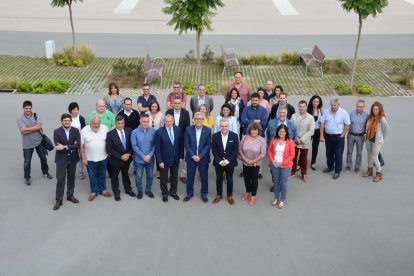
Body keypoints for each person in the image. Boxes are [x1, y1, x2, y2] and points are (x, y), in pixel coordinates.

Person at [17, 100, 52, 185]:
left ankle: (45, 172)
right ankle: (27, 177)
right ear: (23, 109)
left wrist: (27, 128)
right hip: (27, 144)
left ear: (31, 108)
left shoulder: (36, 115)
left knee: (43, 158)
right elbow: (23, 132)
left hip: (39, 141)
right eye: (26, 108)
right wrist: (35, 128)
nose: (28, 110)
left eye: (29, 108)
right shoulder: (20, 118)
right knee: (27, 162)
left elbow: (39, 126)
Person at [52, 113, 81, 210]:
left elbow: (78, 145)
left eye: (69, 120)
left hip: (73, 158)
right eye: (65, 120)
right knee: (60, 180)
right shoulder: (56, 131)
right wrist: (71, 145)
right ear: (61, 121)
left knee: (71, 178)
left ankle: (70, 196)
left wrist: (64, 146)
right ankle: (58, 200)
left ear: (71, 121)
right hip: (61, 159)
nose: (67, 122)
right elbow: (57, 146)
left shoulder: (76, 131)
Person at [80, 115, 111, 201]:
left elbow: (109, 141)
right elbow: (81, 146)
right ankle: (94, 191)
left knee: (102, 175)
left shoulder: (105, 128)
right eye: (94, 123)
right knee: (92, 176)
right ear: (90, 122)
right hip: (90, 159)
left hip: (103, 157)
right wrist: (83, 158)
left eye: (98, 123)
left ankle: (103, 190)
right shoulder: (84, 130)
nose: (96, 125)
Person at [155, 114, 184, 202]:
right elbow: (157, 148)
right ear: (164, 121)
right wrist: (160, 161)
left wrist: (181, 157)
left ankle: (173, 192)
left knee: (174, 177)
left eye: (170, 121)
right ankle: (164, 193)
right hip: (164, 160)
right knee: (164, 178)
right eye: (166, 121)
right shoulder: (159, 132)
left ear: (173, 121)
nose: (168, 123)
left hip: (176, 158)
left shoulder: (178, 129)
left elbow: (180, 144)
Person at [183, 112, 211, 203]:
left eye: (201, 119)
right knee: (190, 176)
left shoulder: (208, 130)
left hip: (203, 158)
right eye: (197, 118)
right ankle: (189, 193)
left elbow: (208, 145)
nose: (199, 120)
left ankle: (204, 193)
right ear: (194, 119)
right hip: (191, 158)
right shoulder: (188, 129)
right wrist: (193, 156)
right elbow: (186, 144)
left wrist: (200, 156)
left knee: (204, 177)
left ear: (203, 120)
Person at [320, 98, 351, 179]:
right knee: (329, 153)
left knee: (338, 154)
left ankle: (337, 171)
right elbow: (322, 123)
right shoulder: (326, 111)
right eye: (332, 105)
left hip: (338, 136)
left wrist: (343, 134)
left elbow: (347, 124)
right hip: (328, 136)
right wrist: (321, 135)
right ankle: (330, 167)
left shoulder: (344, 113)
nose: (333, 107)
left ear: (338, 105)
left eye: (335, 105)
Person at [106, 116, 136, 201]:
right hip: (116, 160)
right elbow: (109, 149)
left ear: (124, 123)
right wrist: (120, 156)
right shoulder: (110, 134)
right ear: (115, 124)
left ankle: (128, 189)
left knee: (126, 174)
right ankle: (116, 191)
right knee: (114, 177)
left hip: (127, 159)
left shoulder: (129, 131)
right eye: (118, 123)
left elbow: (132, 145)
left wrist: (129, 154)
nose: (120, 125)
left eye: (122, 123)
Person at [211, 118, 239, 205]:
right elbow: (214, 150)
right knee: (218, 179)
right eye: (222, 126)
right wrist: (219, 161)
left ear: (228, 126)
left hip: (230, 162)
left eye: (226, 126)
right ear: (220, 126)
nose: (224, 128)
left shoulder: (234, 136)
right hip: (218, 163)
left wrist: (227, 161)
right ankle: (219, 195)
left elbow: (235, 150)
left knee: (230, 179)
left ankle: (229, 196)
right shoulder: (215, 136)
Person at [268, 124, 295, 209]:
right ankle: (276, 198)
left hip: (285, 166)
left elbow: (292, 155)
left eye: (283, 131)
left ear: (286, 132)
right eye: (280, 131)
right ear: (277, 131)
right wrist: (272, 160)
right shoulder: (274, 139)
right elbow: (269, 151)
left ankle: (282, 199)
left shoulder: (290, 141)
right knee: (276, 182)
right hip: (275, 164)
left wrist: (282, 163)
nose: (281, 133)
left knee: (283, 183)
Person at [239, 122, 267, 205]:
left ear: (258, 131)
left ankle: (253, 195)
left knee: (254, 179)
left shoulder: (261, 140)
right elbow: (240, 149)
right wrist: (244, 158)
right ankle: (248, 192)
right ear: (249, 130)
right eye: (252, 130)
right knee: (246, 178)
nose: (254, 132)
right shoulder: (244, 137)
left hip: (256, 163)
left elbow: (263, 154)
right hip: (245, 162)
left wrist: (252, 161)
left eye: (256, 130)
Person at [165, 98, 191, 183]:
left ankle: (182, 174)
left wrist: (185, 138)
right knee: (170, 156)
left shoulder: (186, 113)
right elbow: (166, 125)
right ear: (172, 104)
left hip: (182, 138)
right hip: (170, 137)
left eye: (178, 103)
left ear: (181, 104)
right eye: (175, 103)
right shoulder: (168, 112)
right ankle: (171, 175)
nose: (177, 105)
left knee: (181, 156)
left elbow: (188, 126)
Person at [131, 114, 156, 199]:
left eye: (147, 121)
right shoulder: (134, 132)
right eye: (144, 121)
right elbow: (134, 146)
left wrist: (150, 155)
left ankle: (148, 190)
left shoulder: (153, 131)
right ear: (140, 121)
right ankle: (140, 191)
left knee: (150, 175)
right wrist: (143, 156)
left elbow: (155, 145)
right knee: (138, 176)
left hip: (150, 159)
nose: (145, 123)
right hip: (139, 160)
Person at [363, 102, 388, 182]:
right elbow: (366, 128)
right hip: (369, 139)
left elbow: (385, 131)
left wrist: (381, 139)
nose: (375, 110)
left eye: (377, 109)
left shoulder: (382, 119)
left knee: (374, 157)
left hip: (377, 141)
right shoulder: (370, 117)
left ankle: (379, 173)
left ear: (380, 110)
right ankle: (370, 170)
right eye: (374, 109)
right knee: (369, 155)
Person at [290, 100, 315, 182]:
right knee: (293, 157)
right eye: (300, 106)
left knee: (304, 159)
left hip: (305, 142)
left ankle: (304, 173)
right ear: (298, 106)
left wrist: (302, 139)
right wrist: (296, 138)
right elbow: (290, 128)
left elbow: (311, 131)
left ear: (306, 107)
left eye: (303, 107)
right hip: (295, 141)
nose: (302, 108)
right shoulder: (293, 116)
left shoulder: (310, 118)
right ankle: (292, 171)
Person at [346, 99, 369, 173]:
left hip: (360, 136)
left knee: (359, 153)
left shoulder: (367, 115)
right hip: (351, 135)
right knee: (349, 151)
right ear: (356, 105)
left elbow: (367, 126)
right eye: (358, 106)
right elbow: (347, 124)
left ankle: (357, 166)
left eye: (361, 107)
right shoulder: (350, 113)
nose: (359, 108)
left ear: (364, 106)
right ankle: (349, 165)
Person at [68, 102, 86, 179]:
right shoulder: (68, 118)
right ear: (70, 110)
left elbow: (84, 130)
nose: (75, 111)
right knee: (70, 156)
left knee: (81, 156)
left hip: (80, 139)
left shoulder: (81, 118)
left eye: (77, 109)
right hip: (70, 140)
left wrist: (81, 140)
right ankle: (70, 171)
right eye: (73, 110)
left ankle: (81, 172)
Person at [307, 95, 323, 170]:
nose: (316, 103)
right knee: (305, 146)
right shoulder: (308, 110)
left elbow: (323, 123)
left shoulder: (321, 111)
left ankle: (313, 162)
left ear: (319, 103)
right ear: (312, 102)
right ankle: (301, 162)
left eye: (317, 102)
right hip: (309, 131)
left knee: (315, 147)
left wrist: (322, 135)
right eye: (314, 101)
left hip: (317, 131)